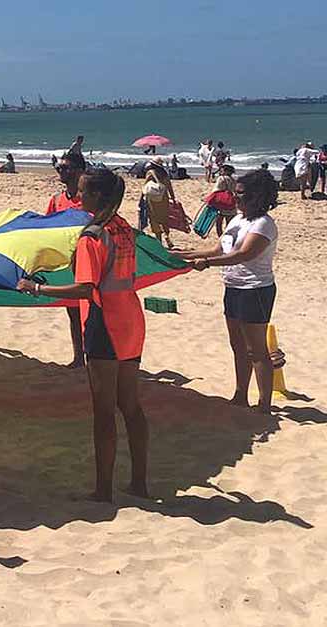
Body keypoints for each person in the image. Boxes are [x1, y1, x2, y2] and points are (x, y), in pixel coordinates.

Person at [16, 166, 149, 502]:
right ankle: (139, 483)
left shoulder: (92, 236)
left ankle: (103, 489)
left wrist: (36, 289)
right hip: (132, 320)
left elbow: (84, 288)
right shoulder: (124, 228)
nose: (78, 197)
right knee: (130, 405)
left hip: (105, 323)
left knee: (104, 410)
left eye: (83, 192)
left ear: (97, 197)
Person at [177, 170, 279, 415]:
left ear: (258, 196)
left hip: (255, 291)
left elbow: (244, 254)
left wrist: (207, 264)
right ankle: (240, 395)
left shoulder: (263, 224)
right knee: (238, 346)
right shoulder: (237, 220)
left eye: (241, 194)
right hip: (233, 288)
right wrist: (183, 255)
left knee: (257, 349)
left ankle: (264, 404)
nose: (235, 198)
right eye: (235, 193)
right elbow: (217, 250)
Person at [46, 150, 89, 368]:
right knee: (73, 311)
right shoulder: (56, 200)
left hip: (91, 263)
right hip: (67, 265)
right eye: (58, 168)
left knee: (93, 313)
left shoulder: (89, 199)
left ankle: (96, 357)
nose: (60, 171)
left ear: (79, 171)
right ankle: (78, 357)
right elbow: (45, 229)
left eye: (65, 168)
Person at [142, 159, 177, 248]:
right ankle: (167, 236)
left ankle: (159, 240)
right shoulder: (164, 174)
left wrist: (141, 199)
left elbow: (145, 187)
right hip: (163, 198)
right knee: (164, 218)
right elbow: (169, 186)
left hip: (152, 200)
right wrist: (173, 198)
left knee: (154, 219)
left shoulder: (150, 173)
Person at [211, 164, 236, 235]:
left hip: (221, 203)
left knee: (219, 223)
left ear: (225, 171)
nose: (220, 171)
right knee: (229, 223)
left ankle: (220, 237)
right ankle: (228, 237)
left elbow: (216, 190)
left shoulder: (221, 178)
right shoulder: (233, 180)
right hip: (231, 203)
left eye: (222, 170)